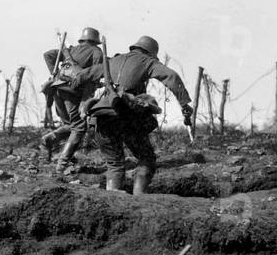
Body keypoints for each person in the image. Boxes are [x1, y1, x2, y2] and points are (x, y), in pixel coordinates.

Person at [78, 36, 193, 194]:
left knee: (115, 164)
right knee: (146, 159)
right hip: (127, 116)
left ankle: (113, 200)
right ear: (151, 53)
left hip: (101, 116)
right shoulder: (147, 61)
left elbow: (82, 75)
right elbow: (171, 77)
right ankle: (139, 199)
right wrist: (184, 103)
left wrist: (79, 97)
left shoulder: (112, 61)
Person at [40, 27, 103, 174]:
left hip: (56, 89)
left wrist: (55, 74)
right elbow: (92, 78)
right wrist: (85, 100)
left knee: (70, 124)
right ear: (95, 41)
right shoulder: (96, 52)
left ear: (82, 39)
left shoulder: (71, 50)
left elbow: (48, 55)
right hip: (72, 93)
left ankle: (49, 139)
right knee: (79, 127)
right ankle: (62, 164)